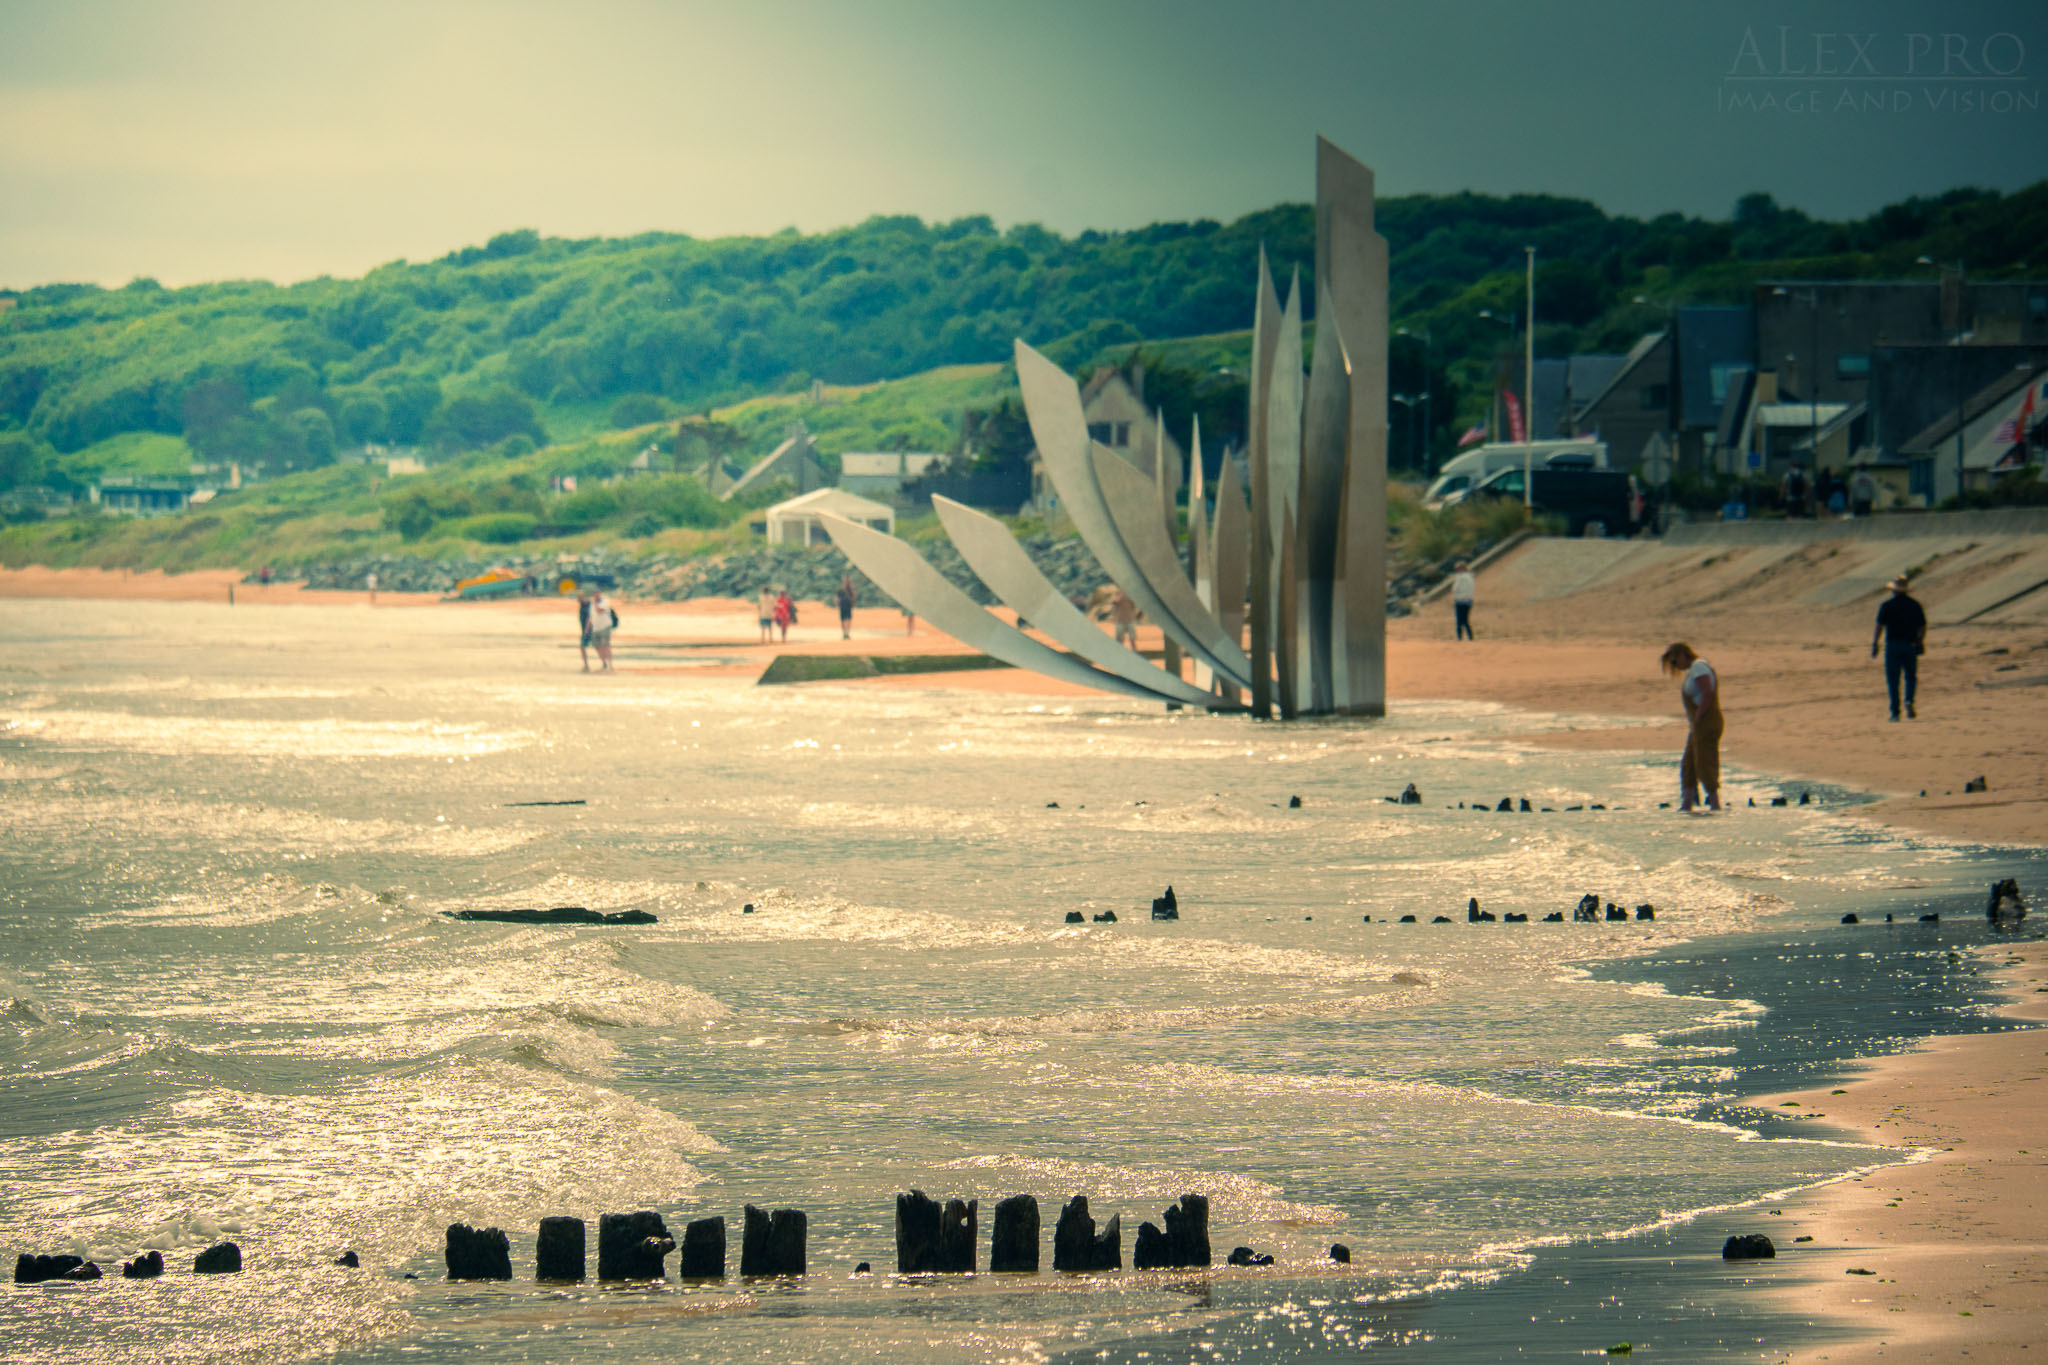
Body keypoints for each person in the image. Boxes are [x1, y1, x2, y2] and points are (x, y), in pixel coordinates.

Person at [1660, 642, 1721, 813]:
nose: (1675, 667)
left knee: (1704, 761)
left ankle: (1715, 804)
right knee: (1689, 763)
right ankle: (1687, 804)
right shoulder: (1694, 670)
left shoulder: (1699, 668)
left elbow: (1707, 691)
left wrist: (1700, 714)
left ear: (1682, 655)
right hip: (1698, 725)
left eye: (1674, 662)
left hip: (1706, 723)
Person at [1872, 576, 1926, 721]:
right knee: (1910, 676)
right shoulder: (1915, 605)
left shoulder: (1887, 605)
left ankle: (1895, 712)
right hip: (1910, 645)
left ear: (1894, 590)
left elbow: (1879, 626)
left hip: (1892, 645)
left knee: (1893, 680)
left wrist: (1875, 643)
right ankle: (1909, 700)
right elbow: (1922, 626)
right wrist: (1919, 641)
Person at [588, 590, 617, 672]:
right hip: (595, 628)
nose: (596, 596)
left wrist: (594, 603)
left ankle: (610, 665)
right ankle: (604, 664)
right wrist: (588, 629)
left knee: (605, 645)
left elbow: (599, 610)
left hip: (605, 627)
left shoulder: (605, 602)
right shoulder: (592, 605)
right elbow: (591, 617)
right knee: (597, 646)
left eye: (597, 594)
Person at [1450, 561, 1476, 641]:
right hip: (1467, 600)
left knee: (1460, 621)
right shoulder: (1470, 577)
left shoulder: (1461, 577)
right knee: (1465, 620)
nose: (1456, 570)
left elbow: (1456, 588)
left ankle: (1460, 638)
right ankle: (1469, 637)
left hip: (1461, 600)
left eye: (1457, 569)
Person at [576, 591, 594, 672]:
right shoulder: (583, 604)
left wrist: (586, 630)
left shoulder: (589, 605)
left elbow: (589, 618)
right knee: (584, 647)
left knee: (584, 646)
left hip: (588, 630)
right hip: (586, 630)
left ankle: (587, 665)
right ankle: (586, 665)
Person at [835, 575, 857, 639]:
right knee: (844, 620)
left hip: (847, 607)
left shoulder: (850, 590)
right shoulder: (841, 590)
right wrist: (837, 605)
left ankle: (846, 633)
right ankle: (845, 633)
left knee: (847, 620)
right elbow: (836, 597)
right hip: (843, 607)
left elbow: (854, 596)